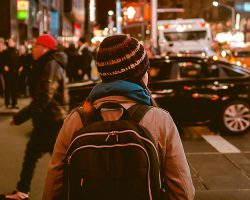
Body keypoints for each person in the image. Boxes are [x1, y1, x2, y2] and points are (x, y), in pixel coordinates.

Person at [42, 34, 195, 200]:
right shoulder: (159, 120)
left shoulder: (77, 119)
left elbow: (52, 188)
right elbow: (183, 192)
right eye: (146, 70)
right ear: (141, 75)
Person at [0, 34, 69, 200]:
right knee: (36, 157)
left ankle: (71, 191)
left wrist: (20, 117)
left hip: (52, 121)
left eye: (36, 46)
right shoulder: (46, 63)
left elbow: (44, 97)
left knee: (61, 162)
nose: (33, 49)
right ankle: (22, 190)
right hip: (48, 120)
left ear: (44, 48)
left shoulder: (50, 65)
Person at [2, 38, 20, 109]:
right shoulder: (5, 52)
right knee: (8, 88)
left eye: (11, 41)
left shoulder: (16, 51)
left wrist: (19, 67)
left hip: (15, 72)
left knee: (14, 88)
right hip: (8, 73)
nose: (10, 43)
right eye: (9, 42)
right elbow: (2, 61)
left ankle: (14, 103)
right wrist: (4, 66)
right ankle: (7, 103)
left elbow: (18, 60)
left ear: (14, 43)